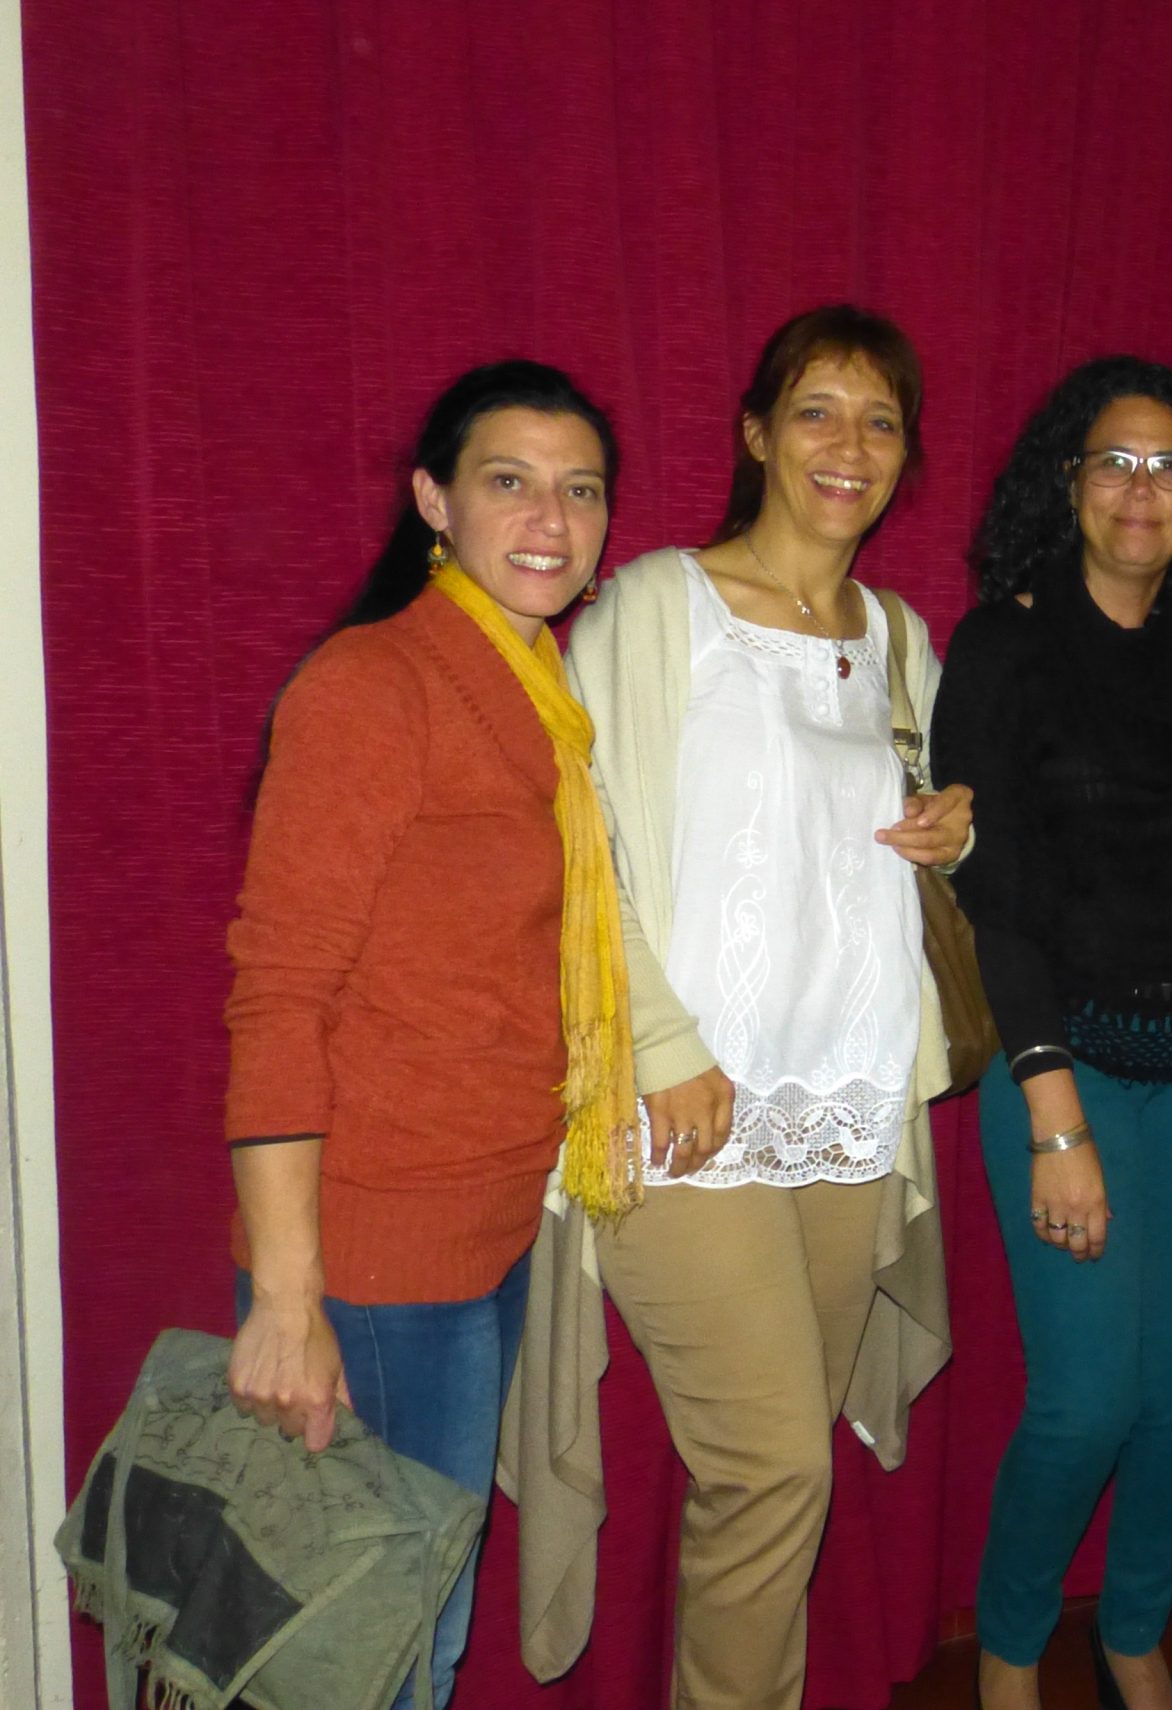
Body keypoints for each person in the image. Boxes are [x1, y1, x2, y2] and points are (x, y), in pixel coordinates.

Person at [563, 304, 968, 1710]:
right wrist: (661, 1046)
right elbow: (581, 845)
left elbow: (919, 840)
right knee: (775, 1466)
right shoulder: (656, 604)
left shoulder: (899, 636)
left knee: (765, 1482)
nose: (849, 446)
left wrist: (955, 829)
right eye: (816, 411)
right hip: (684, 1104)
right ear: (756, 433)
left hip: (847, 1103)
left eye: (880, 420)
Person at [223, 360, 626, 1709]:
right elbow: (281, 992)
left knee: (406, 1632)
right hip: (377, 1249)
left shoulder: (541, 692)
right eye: (510, 482)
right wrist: (289, 1301)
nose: (550, 521)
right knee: (383, 1651)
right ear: (434, 501)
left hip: (485, 1222)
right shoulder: (377, 682)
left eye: (581, 490)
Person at [933, 356, 1172, 1710]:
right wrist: (1053, 1118)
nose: (1142, 489)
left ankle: (1133, 1629)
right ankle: (1011, 1650)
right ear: (1067, 483)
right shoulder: (1002, 646)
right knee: (1085, 1400)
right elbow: (994, 900)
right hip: (1065, 1059)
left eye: (1170, 466)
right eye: (1114, 462)